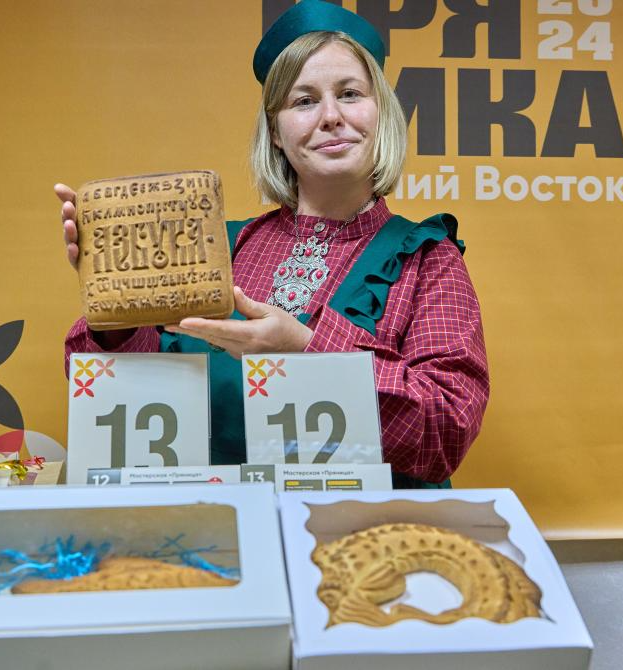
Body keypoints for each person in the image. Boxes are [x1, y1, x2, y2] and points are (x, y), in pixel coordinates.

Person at [60, 0, 488, 487]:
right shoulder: (214, 249)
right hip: (216, 521)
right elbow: (116, 399)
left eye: (350, 94)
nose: (330, 116)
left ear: (382, 114)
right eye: (304, 101)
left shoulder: (429, 260)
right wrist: (116, 306)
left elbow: (447, 431)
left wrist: (305, 350)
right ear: (276, 133)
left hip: (360, 527)